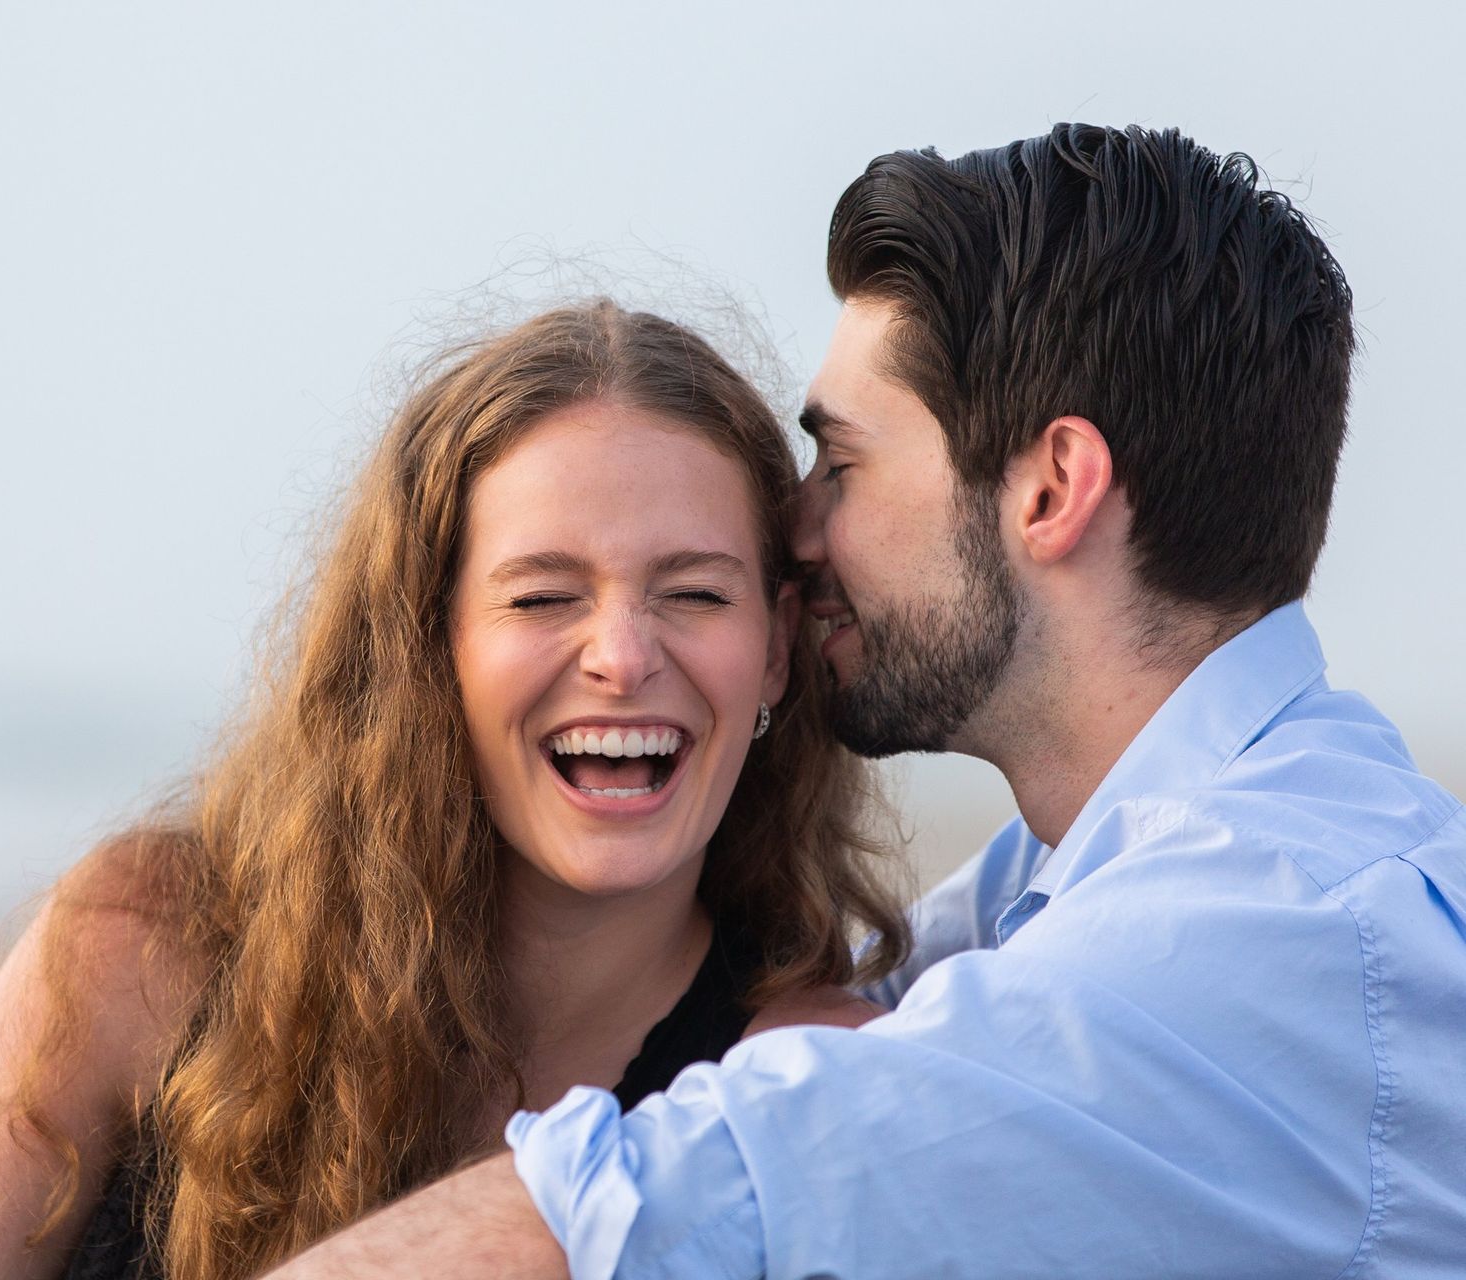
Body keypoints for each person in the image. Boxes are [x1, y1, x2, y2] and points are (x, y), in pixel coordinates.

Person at [266, 125, 1466, 1278]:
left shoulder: (1264, 926)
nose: (792, 531)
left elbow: (661, 1207)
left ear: (1052, 489)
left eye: (841, 465)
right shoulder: (1073, 872)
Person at [0, 302, 912, 1280]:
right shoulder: (141, 941)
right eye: (544, 593)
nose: (623, 655)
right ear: (427, 643)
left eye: (693, 592)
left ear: (775, 647)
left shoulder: (802, 1081)